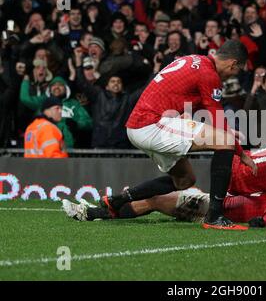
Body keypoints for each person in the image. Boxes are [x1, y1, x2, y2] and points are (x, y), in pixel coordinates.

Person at [102, 40, 257, 231]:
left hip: (140, 126)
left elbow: (202, 109)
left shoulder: (195, 61)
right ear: (233, 63)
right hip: (151, 124)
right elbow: (218, 121)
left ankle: (117, 201)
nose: (233, 75)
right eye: (237, 70)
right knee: (225, 142)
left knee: (184, 180)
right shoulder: (209, 74)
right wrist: (241, 154)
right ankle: (215, 217)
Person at [62, 188, 266, 227]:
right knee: (157, 197)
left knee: (155, 198)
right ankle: (101, 210)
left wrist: (263, 223)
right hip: (210, 199)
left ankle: (96, 213)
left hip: (207, 207)